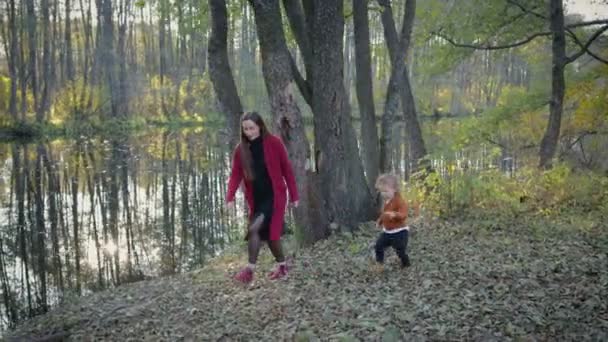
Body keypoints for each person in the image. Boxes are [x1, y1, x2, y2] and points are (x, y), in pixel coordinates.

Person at [225, 111, 299, 284]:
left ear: (260, 126)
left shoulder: (274, 143)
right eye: (245, 129)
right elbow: (235, 175)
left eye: (251, 128)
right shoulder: (241, 149)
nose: (248, 132)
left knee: (254, 229)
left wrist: (294, 195)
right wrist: (230, 197)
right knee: (271, 236)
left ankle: (250, 270)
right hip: (257, 199)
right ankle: (282, 266)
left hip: (275, 196)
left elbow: (287, 170)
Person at [373, 173, 416, 272]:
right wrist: (379, 221)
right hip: (387, 232)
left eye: (386, 191)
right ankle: (379, 264)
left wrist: (396, 214)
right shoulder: (387, 201)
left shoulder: (399, 201)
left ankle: (406, 263)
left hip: (400, 232)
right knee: (378, 246)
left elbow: (404, 213)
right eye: (381, 191)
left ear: (395, 189)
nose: (383, 194)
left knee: (400, 250)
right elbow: (384, 214)